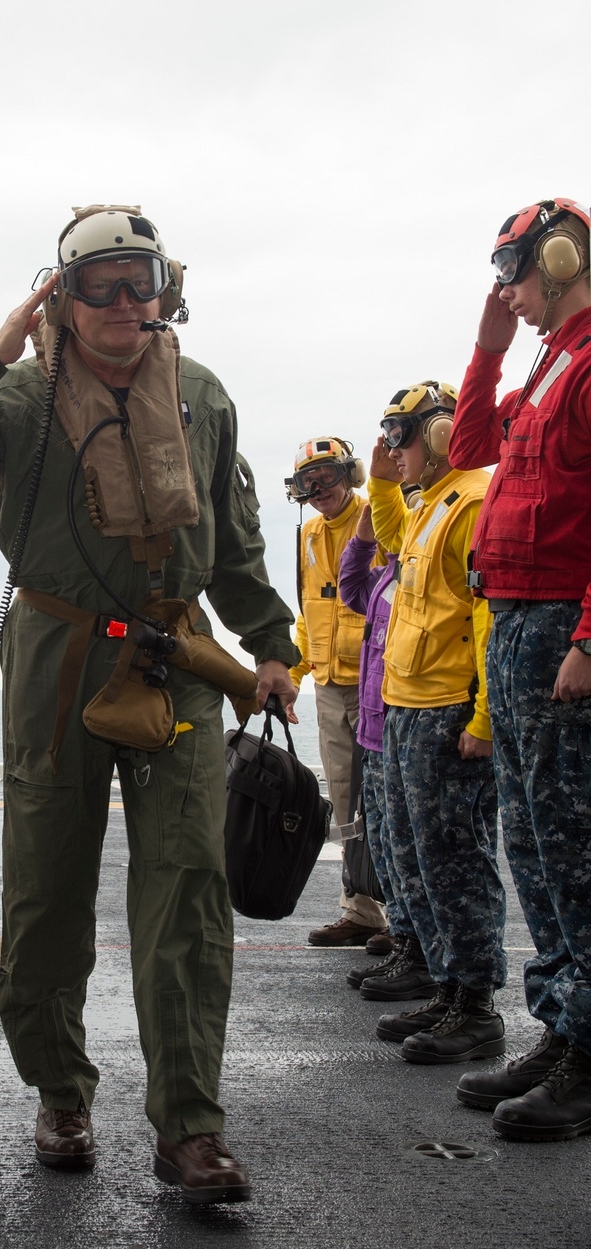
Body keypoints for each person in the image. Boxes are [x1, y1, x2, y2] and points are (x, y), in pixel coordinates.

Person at [0, 204, 299, 1204]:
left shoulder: (201, 395)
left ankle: (190, 1127)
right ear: (60, 293)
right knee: (47, 889)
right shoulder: (19, 397)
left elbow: (232, 541)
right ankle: (60, 1088)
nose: (120, 300)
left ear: (165, 286)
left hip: (177, 656)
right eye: (96, 281)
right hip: (58, 654)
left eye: (137, 278)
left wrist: (271, 642)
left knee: (188, 888)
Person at [448, 197, 591, 1141]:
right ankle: (566, 1023)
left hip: (559, 631)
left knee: (574, 849)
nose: (509, 291)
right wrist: (491, 348)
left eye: (514, 272)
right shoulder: (549, 366)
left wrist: (590, 640)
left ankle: (589, 1049)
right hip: (516, 623)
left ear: (562, 254)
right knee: (534, 843)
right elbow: (467, 451)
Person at [367, 382, 507, 1064]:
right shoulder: (428, 506)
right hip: (407, 705)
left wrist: (484, 717)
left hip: (449, 708)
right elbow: (391, 533)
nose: (395, 451)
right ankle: (448, 986)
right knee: (416, 855)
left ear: (444, 433)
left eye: (404, 436)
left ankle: (476, 1006)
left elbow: (483, 616)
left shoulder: (473, 500)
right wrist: (378, 471)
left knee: (456, 860)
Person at [285, 438, 388, 948]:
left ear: (351, 473)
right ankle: (362, 911)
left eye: (326, 475)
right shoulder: (306, 535)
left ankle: (406, 917)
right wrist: (296, 674)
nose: (318, 488)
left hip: (377, 681)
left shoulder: (379, 518)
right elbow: (308, 614)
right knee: (345, 797)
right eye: (308, 481)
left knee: (389, 798)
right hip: (328, 683)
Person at [337, 489, 435, 1002]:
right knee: (387, 849)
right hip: (375, 730)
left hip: (401, 723)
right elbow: (349, 587)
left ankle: (422, 955)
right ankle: (405, 938)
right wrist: (364, 536)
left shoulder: (418, 576)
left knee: (412, 852)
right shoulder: (388, 576)